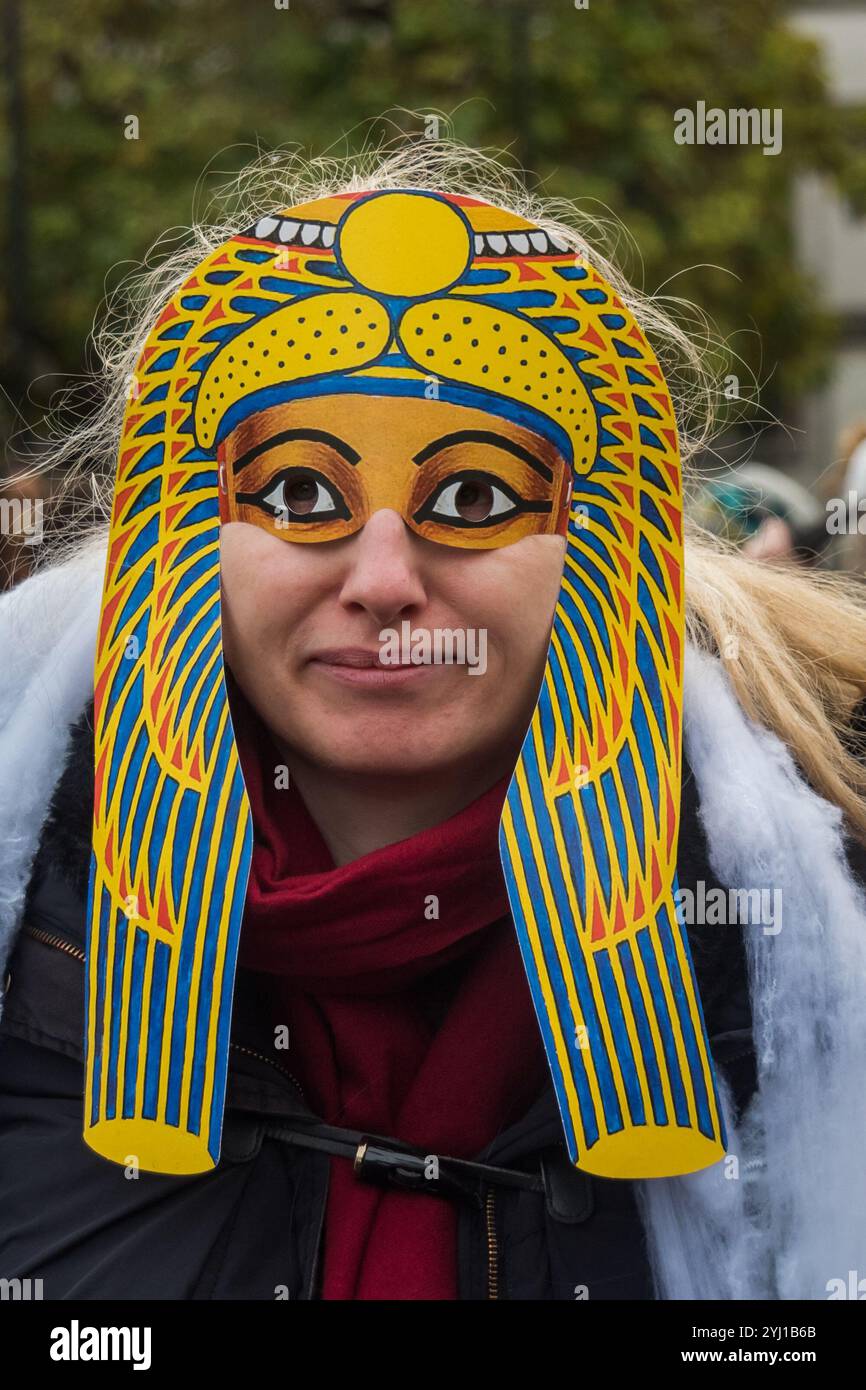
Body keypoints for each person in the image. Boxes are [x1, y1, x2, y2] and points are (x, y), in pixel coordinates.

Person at [2, 140, 866, 1302]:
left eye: (474, 498)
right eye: (300, 494)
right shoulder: (27, 902)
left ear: (609, 543)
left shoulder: (819, 892)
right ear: (181, 528)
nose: (382, 579)